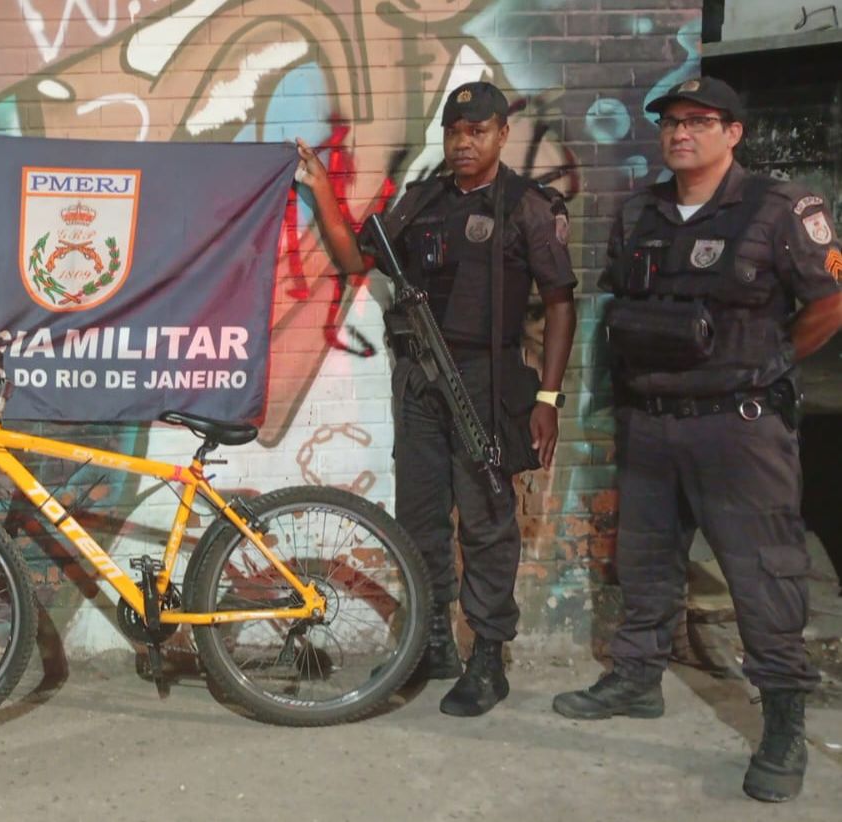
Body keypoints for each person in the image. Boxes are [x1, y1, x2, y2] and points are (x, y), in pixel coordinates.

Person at [553, 76, 842, 803]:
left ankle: (780, 721)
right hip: (651, 423)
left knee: (764, 576)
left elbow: (830, 303)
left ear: (733, 132)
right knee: (645, 562)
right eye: (671, 122)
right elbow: (625, 305)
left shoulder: (780, 208)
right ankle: (636, 679)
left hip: (739, 428)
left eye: (698, 121)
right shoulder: (640, 212)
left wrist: (767, 364)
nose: (680, 133)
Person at [297, 80, 577, 717]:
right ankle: (430, 643)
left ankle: (487, 657)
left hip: (486, 382)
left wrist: (548, 397)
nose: (463, 143)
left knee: (485, 523)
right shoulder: (421, 201)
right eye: (454, 132)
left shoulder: (527, 207)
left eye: (477, 131)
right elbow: (352, 260)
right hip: (420, 381)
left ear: (503, 135)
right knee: (419, 520)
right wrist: (320, 192)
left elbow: (561, 305)